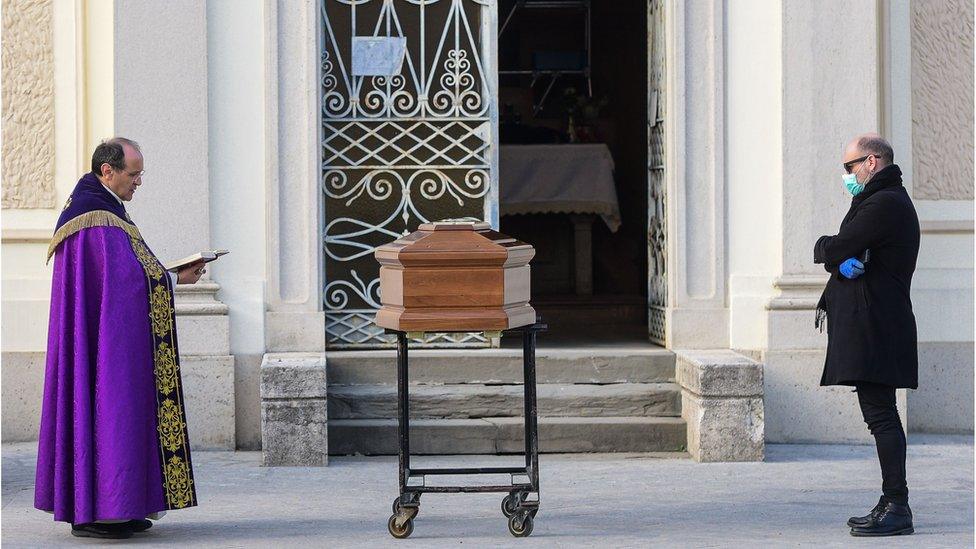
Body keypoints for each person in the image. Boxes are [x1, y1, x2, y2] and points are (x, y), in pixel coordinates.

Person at [34, 138, 206, 539]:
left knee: (114, 412)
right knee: (110, 410)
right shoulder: (97, 218)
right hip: (107, 346)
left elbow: (126, 273)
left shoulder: (103, 208)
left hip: (105, 337)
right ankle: (100, 512)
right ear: (107, 171)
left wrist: (166, 276)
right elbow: (125, 282)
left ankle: (120, 507)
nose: (139, 182)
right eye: (134, 173)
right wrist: (173, 279)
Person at [813, 133, 920, 537]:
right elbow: (846, 253)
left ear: (872, 161)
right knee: (880, 415)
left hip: (878, 326)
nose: (847, 175)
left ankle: (898, 505)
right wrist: (838, 261)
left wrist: (826, 248)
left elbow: (839, 245)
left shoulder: (883, 203)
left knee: (882, 417)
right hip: (877, 323)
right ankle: (891, 500)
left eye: (850, 166)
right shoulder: (878, 200)